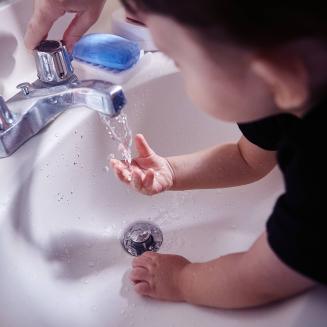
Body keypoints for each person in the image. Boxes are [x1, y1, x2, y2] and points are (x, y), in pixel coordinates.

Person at [25, 0, 326, 309]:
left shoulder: (317, 174)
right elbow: (247, 159)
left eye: (180, 61)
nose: (179, 73)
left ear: (275, 76)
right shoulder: (288, 83)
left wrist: (183, 279)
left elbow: (258, 279)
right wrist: (170, 171)